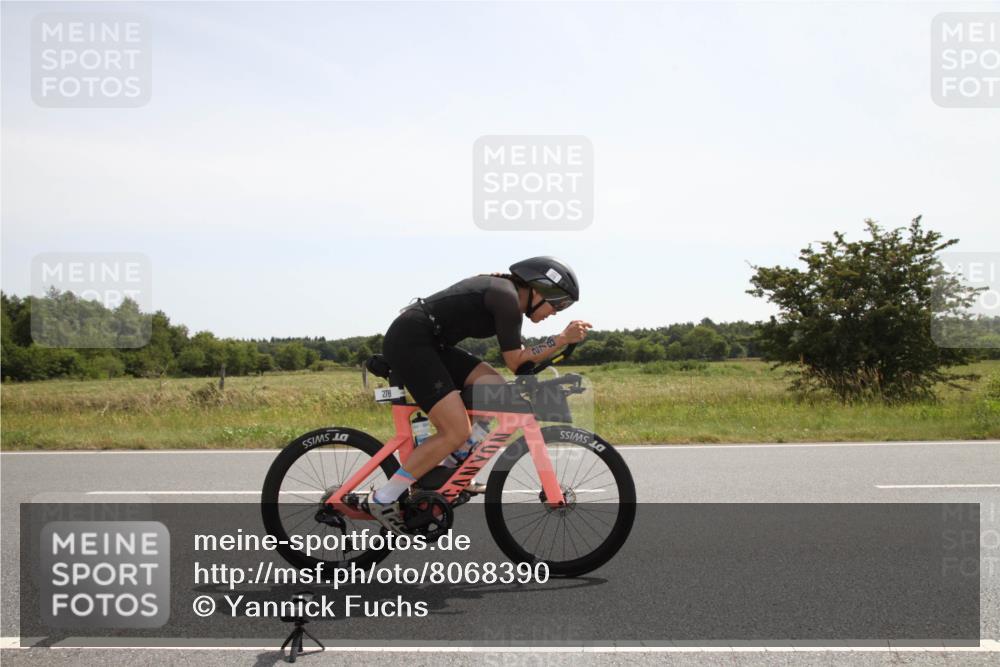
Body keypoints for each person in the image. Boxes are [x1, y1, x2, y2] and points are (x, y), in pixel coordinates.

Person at [362, 257, 591, 533]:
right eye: (558, 303)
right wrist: (562, 338)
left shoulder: (505, 295)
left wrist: (556, 347)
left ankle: (443, 473)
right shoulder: (506, 300)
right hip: (412, 341)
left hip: (430, 342)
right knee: (456, 430)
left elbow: (523, 361)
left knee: (492, 389)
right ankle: (384, 498)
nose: (556, 311)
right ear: (538, 289)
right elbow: (516, 362)